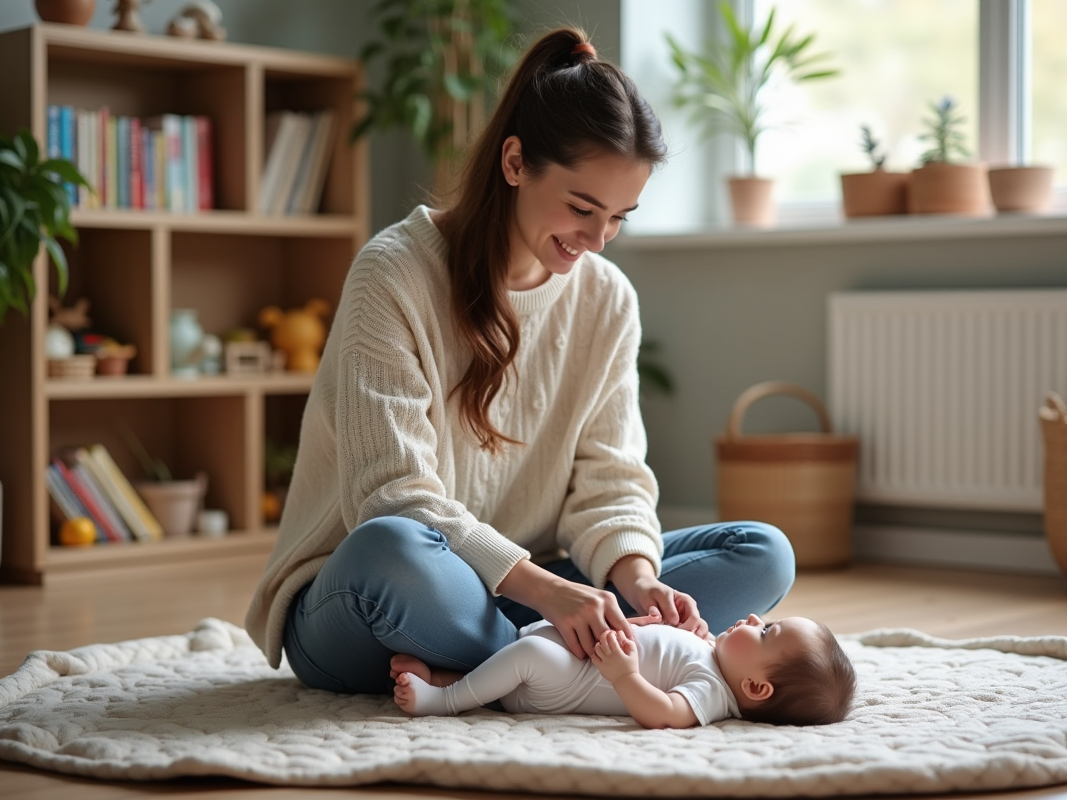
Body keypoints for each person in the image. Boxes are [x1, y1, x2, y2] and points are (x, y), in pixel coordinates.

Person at [244, 26, 796, 697]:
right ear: (514, 162)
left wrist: (637, 576)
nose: (598, 240)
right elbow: (391, 495)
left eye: (621, 216)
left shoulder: (606, 297)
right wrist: (551, 591)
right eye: (582, 207)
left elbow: (610, 475)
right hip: (371, 601)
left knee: (761, 553)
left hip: (523, 591)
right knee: (392, 548)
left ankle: (498, 663)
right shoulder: (393, 273)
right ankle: (551, 668)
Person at [392, 612, 857, 728]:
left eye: (767, 632)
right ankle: (439, 676)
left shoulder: (713, 694)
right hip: (574, 653)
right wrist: (642, 626)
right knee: (516, 661)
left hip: (565, 684)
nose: (755, 619)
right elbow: (659, 647)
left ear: (755, 686)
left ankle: (443, 701)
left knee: (527, 656)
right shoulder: (712, 653)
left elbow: (663, 714)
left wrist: (625, 675)